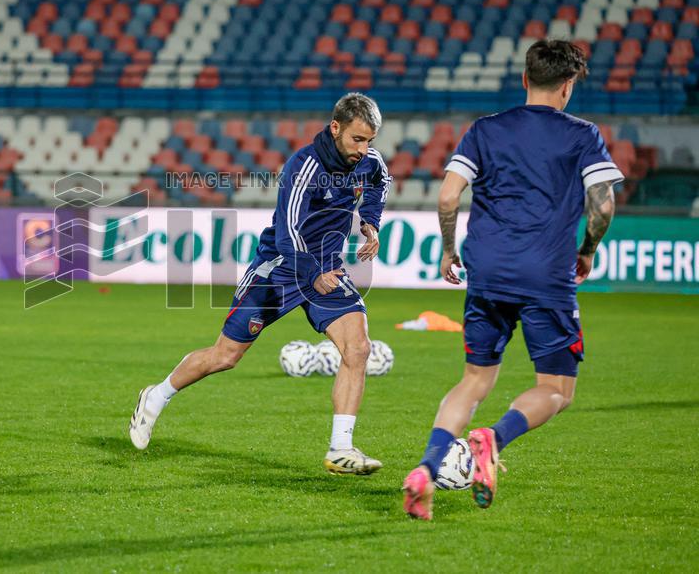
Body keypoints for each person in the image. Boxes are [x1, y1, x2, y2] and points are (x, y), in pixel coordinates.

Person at [402, 39, 622, 520]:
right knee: (558, 390)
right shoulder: (583, 135)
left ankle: (426, 467)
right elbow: (603, 204)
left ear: (525, 79)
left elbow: (446, 198)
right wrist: (587, 250)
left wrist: (447, 250)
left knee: (474, 381)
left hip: (487, 272)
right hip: (546, 276)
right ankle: (491, 439)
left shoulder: (484, 130)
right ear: (568, 86)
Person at [130, 93, 392, 475]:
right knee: (225, 356)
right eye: (357, 139)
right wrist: (311, 273)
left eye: (370, 140)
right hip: (282, 268)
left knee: (358, 348)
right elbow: (288, 233)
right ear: (335, 128)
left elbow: (379, 183)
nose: (364, 149)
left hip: (328, 268)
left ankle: (340, 448)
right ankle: (156, 396)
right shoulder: (304, 166)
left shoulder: (368, 162)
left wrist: (370, 221)